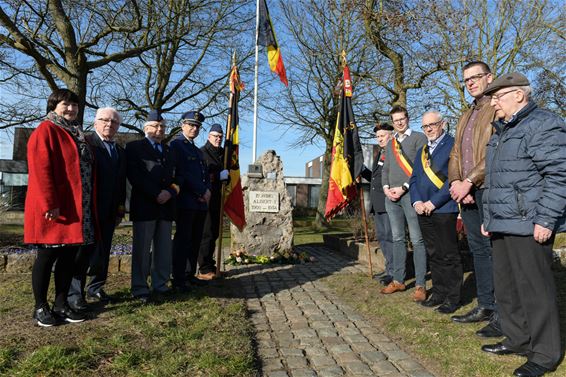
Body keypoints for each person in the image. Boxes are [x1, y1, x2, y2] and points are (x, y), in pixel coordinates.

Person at [480, 73, 565, 377]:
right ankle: (517, 338)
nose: (493, 103)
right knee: (507, 287)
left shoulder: (542, 124)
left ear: (518, 95)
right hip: (502, 221)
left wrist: (546, 218)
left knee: (534, 289)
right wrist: (488, 219)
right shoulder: (501, 130)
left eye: (497, 97)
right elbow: (495, 180)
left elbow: (559, 174)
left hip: (530, 222)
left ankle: (545, 353)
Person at [25, 88, 93, 326]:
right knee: (47, 255)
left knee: (67, 257)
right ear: (53, 105)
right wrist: (49, 203)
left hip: (76, 207)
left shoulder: (76, 132)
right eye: (66, 104)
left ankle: (61, 304)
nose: (71, 109)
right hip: (54, 208)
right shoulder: (46, 130)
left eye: (74, 105)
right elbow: (40, 169)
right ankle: (40, 307)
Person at [448, 61, 501, 338]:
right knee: (478, 250)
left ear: (489, 77)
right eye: (466, 80)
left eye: (475, 77)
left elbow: (493, 150)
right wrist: (457, 182)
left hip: (488, 188)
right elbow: (456, 152)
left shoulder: (497, 108)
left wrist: (469, 182)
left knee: (495, 250)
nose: (470, 83)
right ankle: (485, 305)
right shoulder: (465, 115)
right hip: (467, 191)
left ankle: (502, 312)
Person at [68, 107, 126, 310]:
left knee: (103, 250)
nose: (109, 124)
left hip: (110, 211)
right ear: (95, 123)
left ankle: (96, 287)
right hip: (88, 209)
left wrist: (120, 209)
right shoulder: (86, 144)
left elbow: (121, 183)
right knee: (83, 252)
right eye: (105, 120)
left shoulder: (119, 150)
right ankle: (75, 293)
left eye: (114, 122)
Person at [410, 111, 462, 314]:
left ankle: (453, 297)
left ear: (443, 124)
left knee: (448, 254)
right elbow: (414, 178)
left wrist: (433, 202)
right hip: (422, 209)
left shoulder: (453, 145)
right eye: (425, 126)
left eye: (433, 124)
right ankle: (439, 292)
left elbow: (453, 178)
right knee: (434, 254)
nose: (429, 129)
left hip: (443, 208)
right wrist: (416, 201)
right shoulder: (422, 150)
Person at [126, 110, 177, 303]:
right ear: (146, 128)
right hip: (145, 205)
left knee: (163, 249)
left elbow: (177, 176)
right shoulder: (134, 147)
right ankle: (139, 287)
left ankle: (160, 284)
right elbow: (136, 176)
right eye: (155, 126)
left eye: (162, 126)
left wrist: (170, 192)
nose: (159, 129)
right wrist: (156, 193)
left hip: (166, 207)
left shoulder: (170, 150)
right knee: (142, 249)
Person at [380, 105, 428, 302]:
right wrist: (385, 188)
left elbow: (420, 167)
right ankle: (398, 280)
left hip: (410, 194)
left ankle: (420, 285)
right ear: (392, 122)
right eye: (395, 120)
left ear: (407, 118)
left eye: (402, 118)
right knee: (398, 238)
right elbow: (385, 169)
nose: (399, 122)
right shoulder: (390, 144)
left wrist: (404, 187)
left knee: (417, 240)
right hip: (391, 197)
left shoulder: (419, 138)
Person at [170, 111, 211, 291]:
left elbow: (204, 173)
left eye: (197, 126)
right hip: (186, 201)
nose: (194, 128)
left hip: (200, 203)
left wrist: (208, 189)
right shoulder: (177, 145)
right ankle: (178, 278)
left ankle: (189, 274)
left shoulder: (196, 149)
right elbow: (183, 173)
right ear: (182, 125)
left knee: (195, 240)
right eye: (191, 125)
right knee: (183, 241)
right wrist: (202, 190)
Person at [361, 123, 394, 285]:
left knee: (390, 237)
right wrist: (360, 169)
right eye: (378, 136)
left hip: (388, 202)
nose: (380, 139)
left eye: (383, 135)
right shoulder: (380, 153)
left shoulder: (394, 153)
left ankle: (394, 272)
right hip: (378, 203)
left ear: (391, 135)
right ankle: (389, 269)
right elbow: (375, 178)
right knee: (383, 237)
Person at [196, 124, 229, 280]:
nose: (218, 139)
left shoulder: (224, 153)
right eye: (215, 136)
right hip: (207, 198)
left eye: (220, 137)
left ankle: (211, 265)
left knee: (215, 232)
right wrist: (217, 176)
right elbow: (204, 174)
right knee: (207, 233)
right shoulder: (203, 152)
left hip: (219, 198)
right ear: (209, 136)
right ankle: (204, 268)